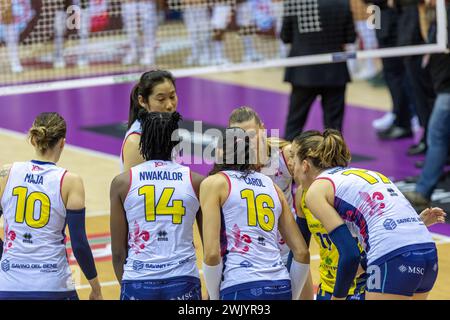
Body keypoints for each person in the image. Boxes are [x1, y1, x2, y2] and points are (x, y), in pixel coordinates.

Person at [290, 131, 446, 300]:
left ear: (305, 165)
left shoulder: (315, 190)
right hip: (427, 252)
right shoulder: (366, 174)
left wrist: (338, 297)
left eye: (294, 160)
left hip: (393, 257)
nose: (292, 167)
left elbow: (350, 254)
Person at [0, 112, 102, 300]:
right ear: (62, 142)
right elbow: (79, 244)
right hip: (53, 286)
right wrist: (96, 287)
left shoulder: (6, 173)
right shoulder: (71, 181)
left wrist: (4, 254)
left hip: (8, 285)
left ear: (33, 140)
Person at [200, 127, 310, 300]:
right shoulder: (272, 186)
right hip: (280, 285)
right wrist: (292, 295)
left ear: (220, 154)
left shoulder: (214, 183)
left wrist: (214, 297)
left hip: (240, 285)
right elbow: (302, 252)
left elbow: (212, 253)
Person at [110, 111, 204, 300]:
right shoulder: (196, 181)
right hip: (183, 279)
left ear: (143, 140)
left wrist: (128, 288)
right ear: (176, 141)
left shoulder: (122, 183)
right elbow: (212, 245)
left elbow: (118, 252)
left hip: (138, 280)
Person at [227, 106, 315, 300]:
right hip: (252, 257)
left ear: (263, 130)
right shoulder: (228, 164)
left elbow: (313, 184)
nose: (247, 142)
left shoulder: (285, 155)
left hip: (288, 249)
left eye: (252, 135)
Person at [281, 0, 356, 140]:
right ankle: (334, 160)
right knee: (334, 128)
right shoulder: (343, 4)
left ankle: (286, 159)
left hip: (304, 72)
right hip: (334, 71)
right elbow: (350, 37)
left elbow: (285, 37)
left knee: (294, 123)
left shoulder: (295, 3)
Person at [405, 0, 450, 210]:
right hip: (443, 89)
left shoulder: (445, 16)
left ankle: (423, 192)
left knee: (436, 137)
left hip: (447, 92)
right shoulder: (440, 15)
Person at [121, 70, 178, 172]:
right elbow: (131, 186)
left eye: (172, 97)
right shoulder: (136, 142)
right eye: (161, 99)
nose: (169, 105)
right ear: (142, 101)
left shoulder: (166, 128)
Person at [121, 0, 158, 66]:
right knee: (130, 26)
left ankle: (149, 53)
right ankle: (133, 52)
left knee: (147, 26)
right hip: (129, 3)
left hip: (145, 3)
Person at [182, 0, 211, 66]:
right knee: (192, 34)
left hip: (201, 9)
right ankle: (195, 55)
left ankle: (206, 55)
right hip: (189, 10)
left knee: (204, 33)